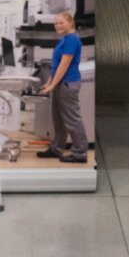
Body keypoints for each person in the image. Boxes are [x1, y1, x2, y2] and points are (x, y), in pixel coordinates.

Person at [37, 9, 89, 164]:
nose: (58, 26)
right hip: (61, 83)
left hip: (68, 83)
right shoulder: (64, 39)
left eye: (61, 23)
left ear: (70, 22)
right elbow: (57, 65)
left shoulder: (71, 39)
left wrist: (52, 84)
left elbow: (64, 65)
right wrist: (49, 82)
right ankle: (56, 148)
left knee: (72, 120)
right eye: (56, 23)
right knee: (58, 119)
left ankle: (80, 153)